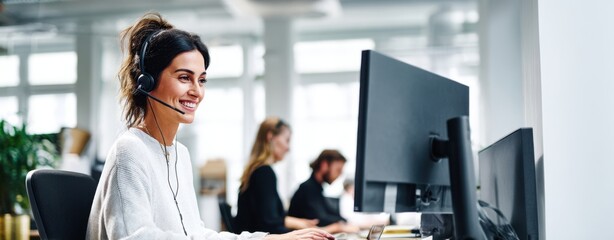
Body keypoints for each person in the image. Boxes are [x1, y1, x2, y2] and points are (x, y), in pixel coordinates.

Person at [86, 12, 334, 240]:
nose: (196, 91)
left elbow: (197, 234)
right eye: (184, 77)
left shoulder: (179, 154)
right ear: (147, 81)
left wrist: (271, 239)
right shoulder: (130, 150)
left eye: (201, 80)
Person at [235, 117, 347, 234]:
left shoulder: (257, 171)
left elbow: (269, 218)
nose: (288, 148)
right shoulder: (264, 173)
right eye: (287, 140)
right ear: (270, 137)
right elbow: (269, 224)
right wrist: (306, 230)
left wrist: (300, 223)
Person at [288, 150, 359, 233]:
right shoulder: (307, 188)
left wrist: (345, 221)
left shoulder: (318, 188)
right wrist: (340, 226)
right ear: (324, 165)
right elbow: (319, 219)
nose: (339, 175)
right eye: (338, 170)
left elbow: (329, 213)